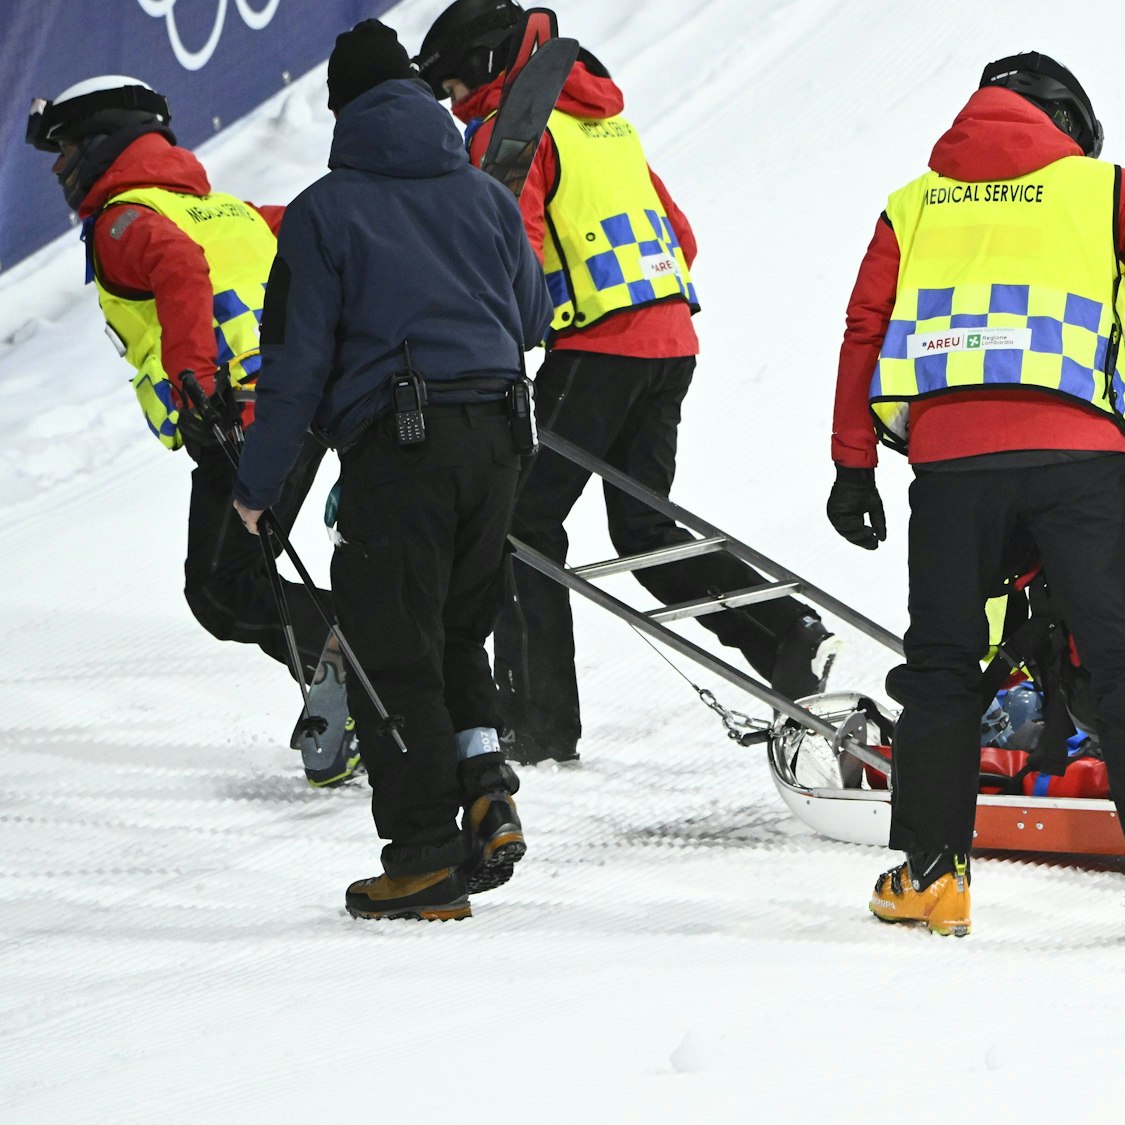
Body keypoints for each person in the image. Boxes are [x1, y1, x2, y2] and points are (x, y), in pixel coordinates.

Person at [827, 52, 1125, 941]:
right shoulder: (1104, 191)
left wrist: (853, 462)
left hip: (950, 473)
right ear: (1067, 122)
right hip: (1078, 464)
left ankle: (930, 881)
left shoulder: (914, 203)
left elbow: (865, 326)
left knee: (943, 670)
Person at [414, 0, 837, 766]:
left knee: (519, 524)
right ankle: (785, 631)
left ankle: (535, 721)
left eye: (449, 87)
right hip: (670, 339)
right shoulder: (605, 122)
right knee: (643, 531)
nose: (451, 106)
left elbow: (508, 255)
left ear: (479, 65)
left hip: (600, 349)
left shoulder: (514, 132)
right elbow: (683, 238)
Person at [231, 20, 550, 921]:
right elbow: (534, 314)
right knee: (456, 630)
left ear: (344, 112)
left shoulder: (326, 210)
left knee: (387, 647)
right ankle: (486, 791)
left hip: (402, 445)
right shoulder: (484, 197)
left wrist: (257, 490)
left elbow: (292, 364)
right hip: (499, 439)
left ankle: (422, 860)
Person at [23, 76, 355, 787]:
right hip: (293, 407)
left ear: (106, 142)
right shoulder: (229, 210)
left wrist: (195, 380)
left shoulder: (123, 220)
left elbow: (178, 267)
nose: (58, 166)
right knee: (227, 586)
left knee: (226, 585)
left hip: (239, 418)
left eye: (68, 147)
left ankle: (371, 665)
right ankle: (350, 682)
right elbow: (309, 231)